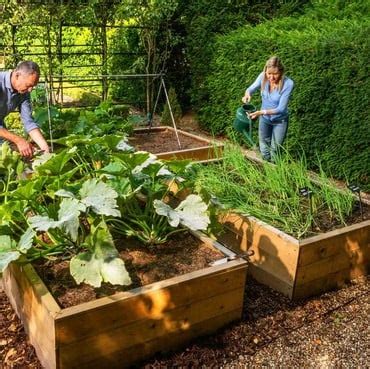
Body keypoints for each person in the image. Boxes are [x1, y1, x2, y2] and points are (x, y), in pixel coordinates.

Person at [242, 56, 294, 162]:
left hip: (280, 121)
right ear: (265, 71)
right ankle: (266, 172)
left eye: (275, 74)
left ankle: (277, 173)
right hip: (265, 119)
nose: (271, 77)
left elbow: (281, 109)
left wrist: (261, 112)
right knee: (264, 149)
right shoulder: (263, 77)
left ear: (281, 72)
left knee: (275, 150)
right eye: (269, 73)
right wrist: (247, 94)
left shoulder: (288, 84)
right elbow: (250, 88)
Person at [0, 60, 49, 157]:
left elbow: (28, 122)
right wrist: (19, 140)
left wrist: (44, 147)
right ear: (17, 75)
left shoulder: (24, 92)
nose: (30, 90)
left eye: (33, 86)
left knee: (6, 158)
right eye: (28, 85)